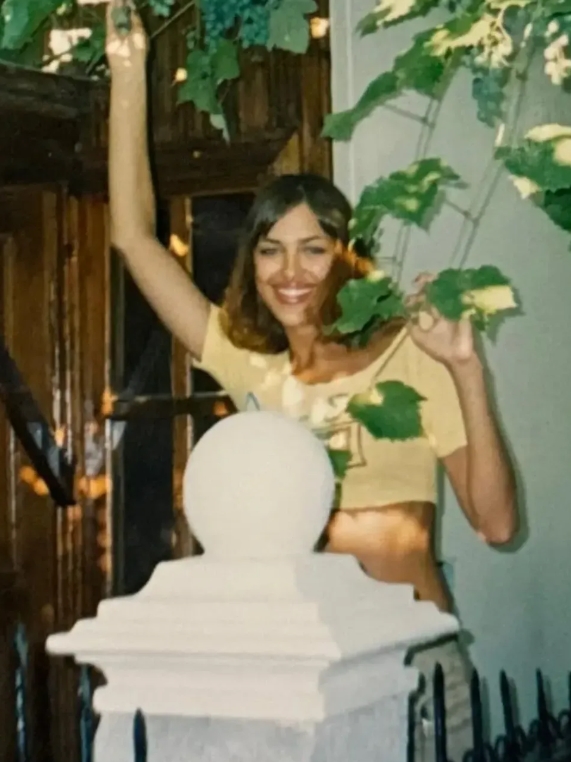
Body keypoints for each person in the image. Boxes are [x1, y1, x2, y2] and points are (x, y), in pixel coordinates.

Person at [105, 4, 517, 760]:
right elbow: (133, 238)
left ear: (346, 258)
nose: (289, 271)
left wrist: (465, 368)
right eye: (270, 250)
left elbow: (495, 524)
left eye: (313, 249)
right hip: (295, 673)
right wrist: (130, 74)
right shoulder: (250, 364)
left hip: (412, 665)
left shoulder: (412, 353)